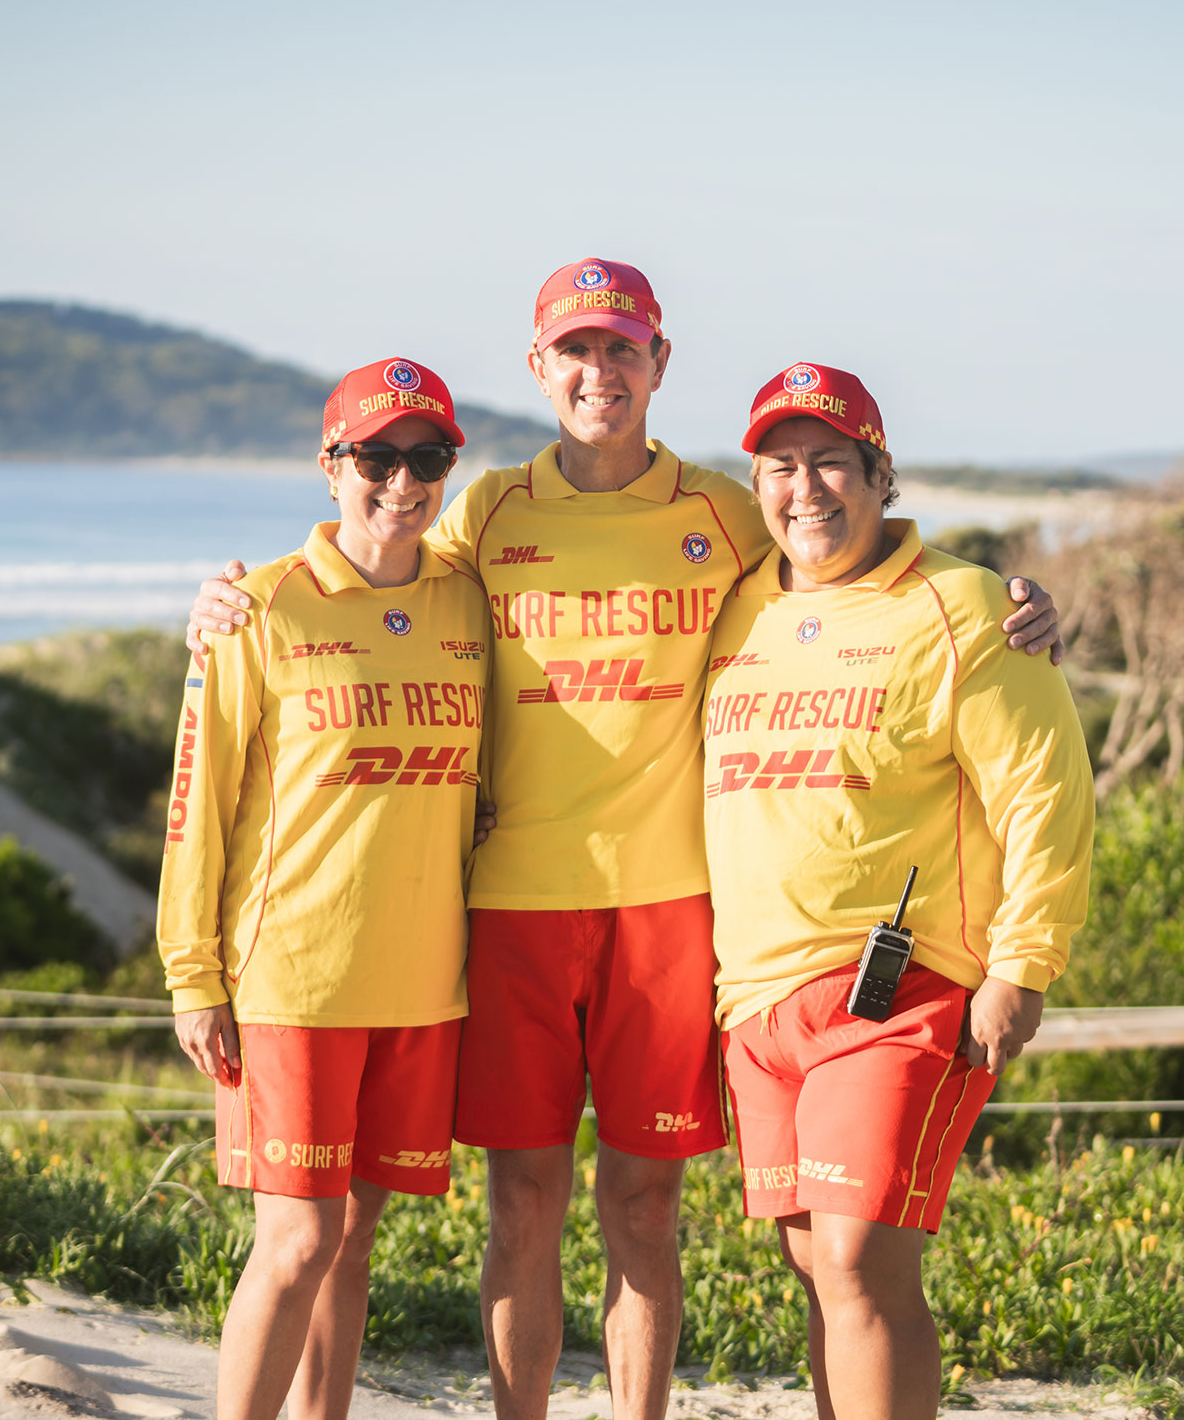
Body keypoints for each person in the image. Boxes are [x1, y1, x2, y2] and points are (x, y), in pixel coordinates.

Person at [187, 261, 1067, 1420]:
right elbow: (372, 579)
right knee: (522, 1206)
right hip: (512, 907)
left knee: (645, 1209)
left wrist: (1014, 604)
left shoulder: (724, 513)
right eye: (575, 349)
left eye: (620, 348)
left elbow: (843, 565)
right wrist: (230, 603)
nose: (598, 370)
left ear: (659, 363)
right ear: (538, 366)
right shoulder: (486, 510)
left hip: (670, 911)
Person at [701, 362, 1094, 1420]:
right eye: (781, 467)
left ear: (881, 474)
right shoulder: (732, 611)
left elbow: (1045, 794)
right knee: (816, 1269)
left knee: (860, 1260)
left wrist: (1023, 967)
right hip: (755, 1006)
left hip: (900, 992)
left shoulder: (967, 607)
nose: (806, 489)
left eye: (831, 462)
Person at [161, 357, 490, 1420]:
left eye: (427, 458)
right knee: (298, 1239)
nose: (402, 481)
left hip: (422, 986)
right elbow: (197, 803)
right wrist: (191, 976)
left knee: (352, 1241)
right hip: (291, 980)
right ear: (330, 466)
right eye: (376, 458)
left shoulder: (472, 602)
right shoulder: (256, 610)